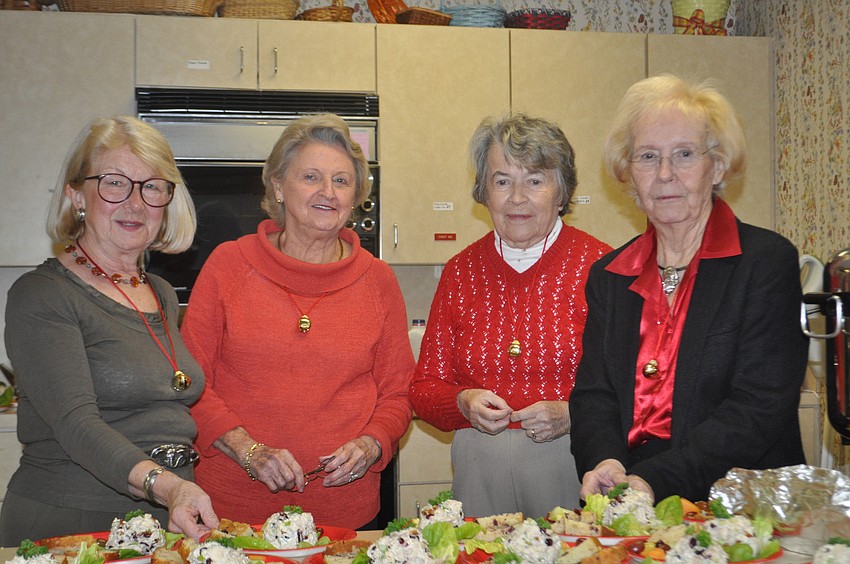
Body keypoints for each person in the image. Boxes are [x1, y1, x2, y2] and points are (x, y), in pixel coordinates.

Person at [570, 74, 808, 503]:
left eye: (684, 154)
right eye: (647, 156)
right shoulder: (610, 274)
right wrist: (605, 461)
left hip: (741, 505)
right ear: (628, 173)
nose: (664, 174)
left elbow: (759, 406)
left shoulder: (765, 263)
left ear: (716, 166)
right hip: (633, 495)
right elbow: (594, 395)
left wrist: (654, 479)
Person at [181, 114, 413, 530]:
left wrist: (372, 443)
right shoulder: (228, 266)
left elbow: (399, 393)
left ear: (355, 196)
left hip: (344, 513)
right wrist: (248, 450)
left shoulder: (378, 280)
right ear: (277, 187)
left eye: (341, 181)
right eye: (311, 177)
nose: (328, 192)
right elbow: (190, 384)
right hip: (233, 511)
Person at [0, 116, 218, 545]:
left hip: (161, 521)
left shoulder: (159, 292)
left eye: (152, 186)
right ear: (76, 195)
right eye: (114, 183)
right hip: (74, 524)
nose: (135, 203)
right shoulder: (42, 294)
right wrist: (169, 486)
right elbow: (77, 424)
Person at [409, 113, 612, 518]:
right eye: (502, 181)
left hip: (574, 460)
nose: (517, 198)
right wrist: (462, 402)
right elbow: (423, 389)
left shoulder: (600, 267)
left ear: (561, 191)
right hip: (477, 468)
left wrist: (571, 413)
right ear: (484, 193)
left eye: (535, 181)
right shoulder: (461, 271)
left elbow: (632, 389)